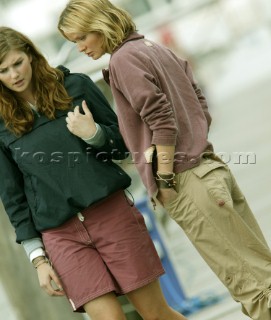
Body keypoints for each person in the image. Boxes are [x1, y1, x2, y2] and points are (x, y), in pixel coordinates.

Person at [57, 1, 271, 319]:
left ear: (99, 25)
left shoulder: (124, 60)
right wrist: (193, 142)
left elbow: (161, 119)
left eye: (80, 38)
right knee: (261, 273)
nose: (79, 48)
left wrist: (167, 177)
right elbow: (198, 101)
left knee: (250, 284)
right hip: (210, 170)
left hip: (188, 182)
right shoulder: (151, 47)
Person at [0, 27, 188, 320]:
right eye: (3, 70)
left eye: (17, 63)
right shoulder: (1, 124)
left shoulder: (75, 86)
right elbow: (13, 196)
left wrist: (95, 134)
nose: (14, 75)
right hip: (61, 236)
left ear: (31, 56)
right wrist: (38, 259)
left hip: (110, 215)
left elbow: (124, 148)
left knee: (156, 315)